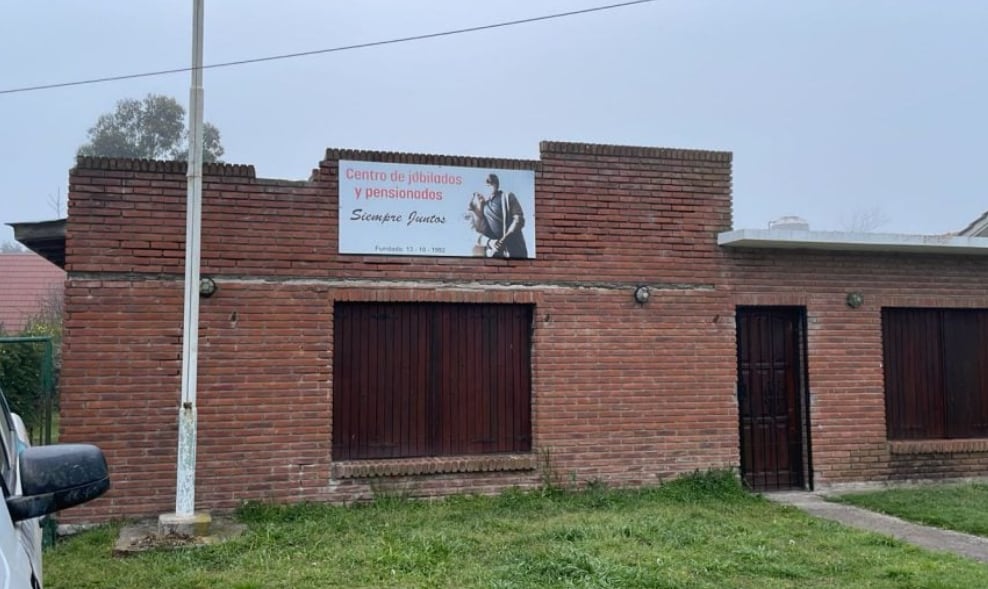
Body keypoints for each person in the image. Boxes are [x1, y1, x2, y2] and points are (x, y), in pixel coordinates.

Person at [467, 173, 528, 258]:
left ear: (496, 183)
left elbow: (518, 220)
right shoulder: (484, 207)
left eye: (491, 180)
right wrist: (492, 242)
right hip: (495, 254)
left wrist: (504, 239)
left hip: (514, 251)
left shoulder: (507, 197)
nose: (488, 183)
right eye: (487, 181)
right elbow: (479, 235)